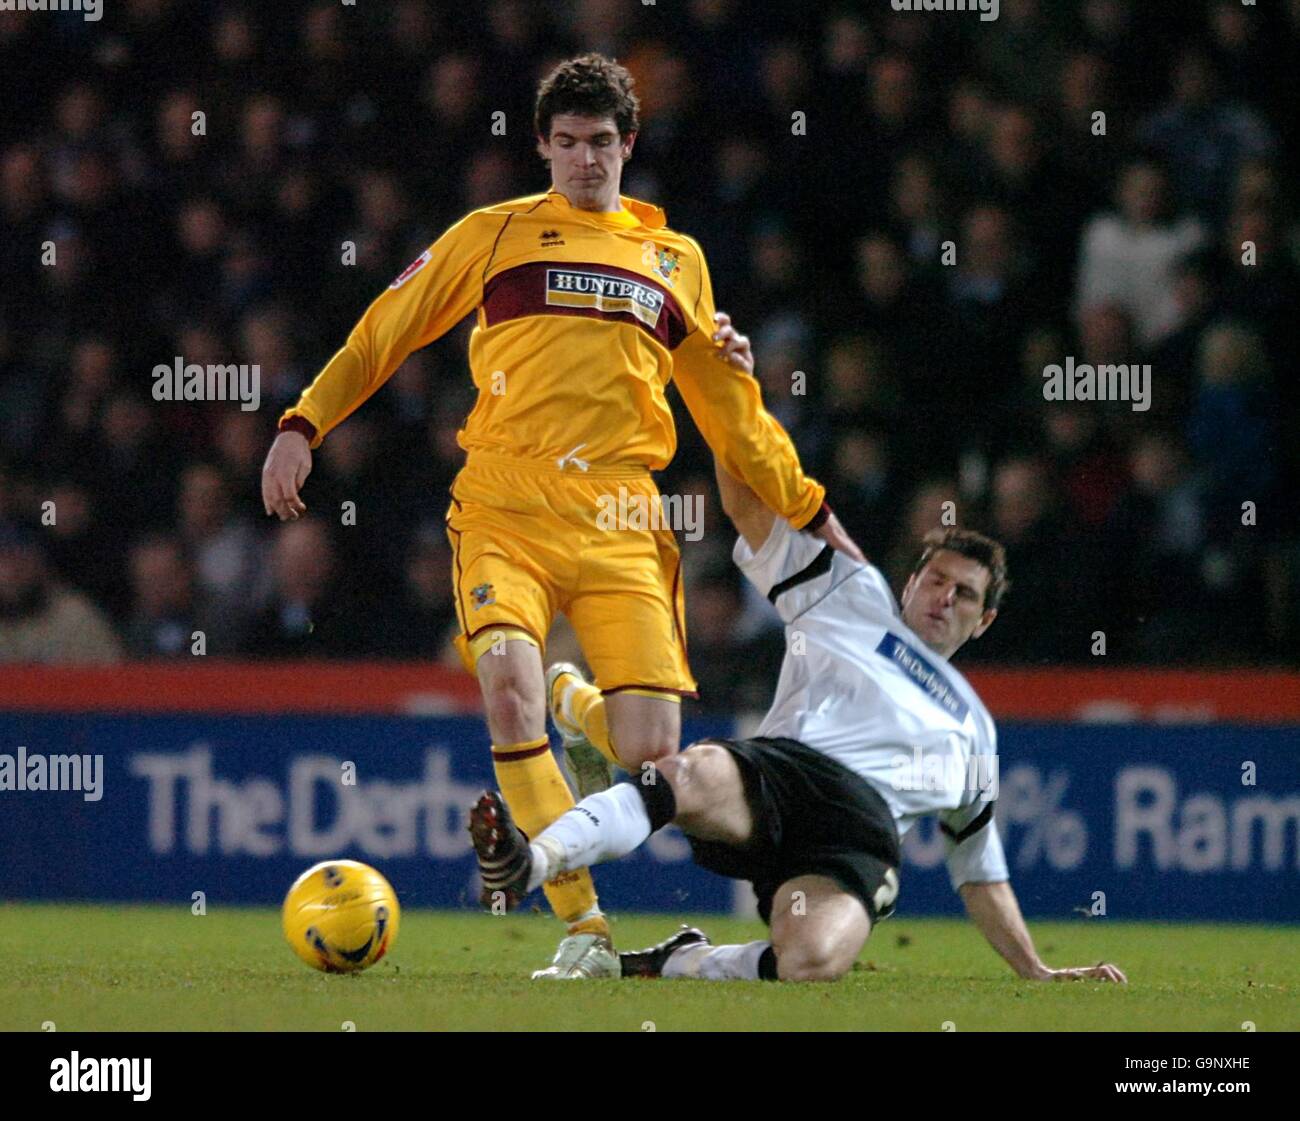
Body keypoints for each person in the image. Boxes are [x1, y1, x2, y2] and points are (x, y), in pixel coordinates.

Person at [261, 54, 858, 979]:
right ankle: (584, 929)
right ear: (542, 145)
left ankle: (574, 703)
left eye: (603, 143)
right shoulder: (492, 236)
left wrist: (808, 506)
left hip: (624, 514)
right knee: (506, 688)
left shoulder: (676, 262)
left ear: (630, 145)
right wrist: (304, 422)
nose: (586, 160)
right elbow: (384, 329)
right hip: (507, 502)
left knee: (654, 763)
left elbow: (729, 412)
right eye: (569, 143)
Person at [469, 457, 1128, 985]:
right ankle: (534, 860)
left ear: (983, 621)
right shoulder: (854, 596)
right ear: (909, 583)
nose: (944, 596)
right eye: (935, 579)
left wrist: (1037, 971)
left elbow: (980, 872)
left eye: (965, 594)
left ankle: (673, 959)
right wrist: (725, 392)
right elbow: (748, 506)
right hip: (780, 775)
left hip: (853, 843)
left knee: (810, 961)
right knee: (685, 772)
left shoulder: (975, 729)